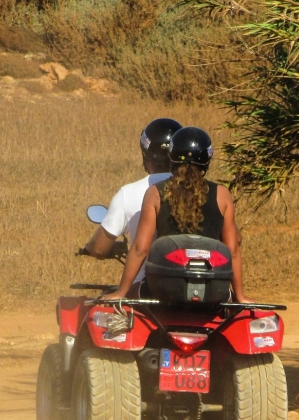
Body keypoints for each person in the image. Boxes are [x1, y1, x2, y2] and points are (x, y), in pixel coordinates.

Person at [103, 127, 252, 303]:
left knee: (121, 294)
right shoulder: (222, 195)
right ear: (207, 160)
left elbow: (140, 249)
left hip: (163, 289)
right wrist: (240, 296)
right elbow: (233, 251)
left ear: (171, 157)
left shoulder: (155, 193)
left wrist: (121, 293)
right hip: (212, 292)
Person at [84, 118, 182, 290]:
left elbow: (99, 248)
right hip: (206, 287)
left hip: (147, 289)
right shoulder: (205, 192)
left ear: (146, 155)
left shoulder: (129, 193)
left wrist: (89, 247)